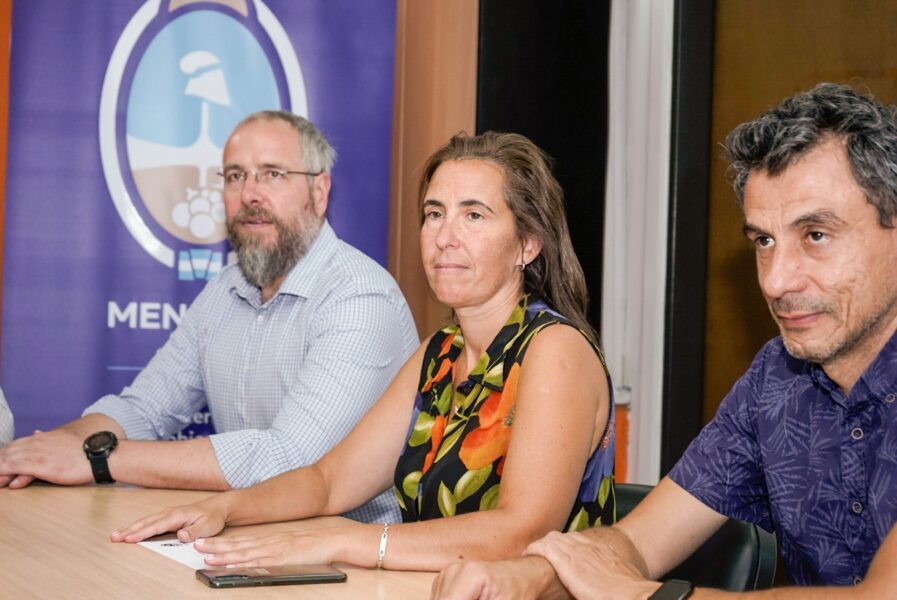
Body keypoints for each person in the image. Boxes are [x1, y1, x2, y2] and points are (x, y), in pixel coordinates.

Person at [430, 82, 897, 599]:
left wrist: (641, 595)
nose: (775, 280)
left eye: (816, 235)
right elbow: (636, 542)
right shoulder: (777, 379)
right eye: (764, 240)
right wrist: (525, 578)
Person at [109, 131, 615, 572]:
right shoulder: (437, 354)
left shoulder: (555, 351)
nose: (445, 237)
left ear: (527, 244)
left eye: (474, 216)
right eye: (434, 214)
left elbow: (521, 532)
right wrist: (226, 509)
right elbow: (329, 482)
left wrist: (351, 540)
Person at [0, 111, 419, 524]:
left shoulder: (360, 296)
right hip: (238, 537)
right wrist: (57, 446)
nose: (250, 194)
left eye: (272, 174)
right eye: (235, 176)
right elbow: (146, 409)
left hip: (355, 565)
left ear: (320, 191)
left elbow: (288, 461)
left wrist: (99, 458)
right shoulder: (224, 290)